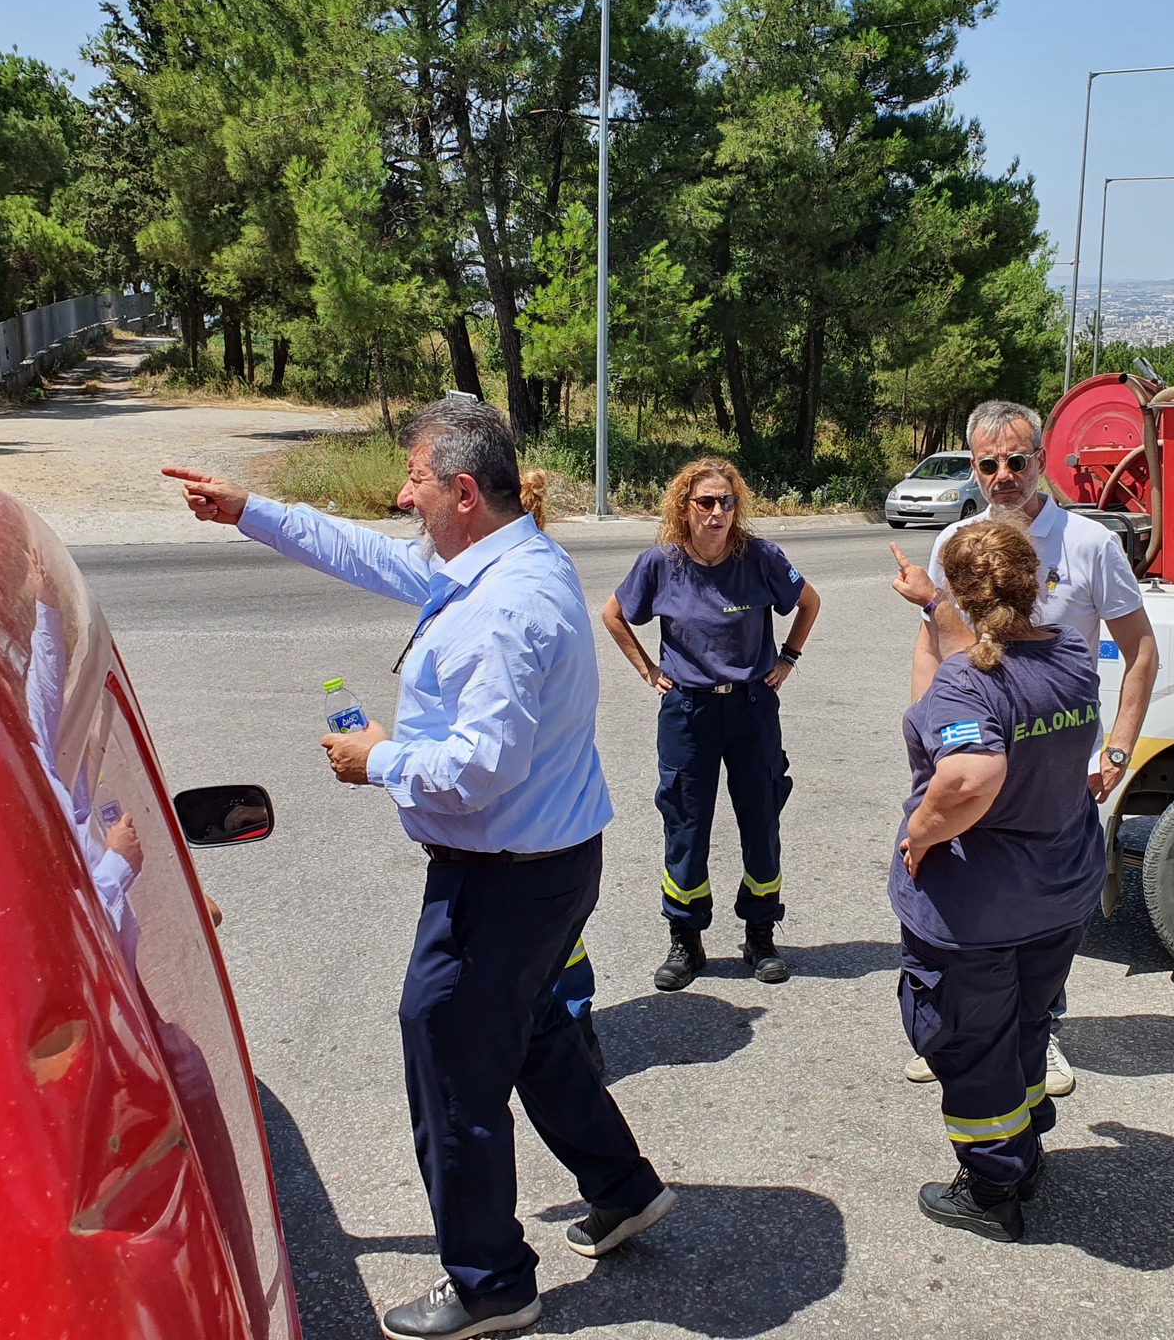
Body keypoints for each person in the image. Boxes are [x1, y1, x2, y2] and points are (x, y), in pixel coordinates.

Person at [163, 396, 674, 1340]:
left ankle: (490, 1282)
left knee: (446, 1052)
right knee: (525, 1034)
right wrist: (251, 510)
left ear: (465, 491)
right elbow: (373, 556)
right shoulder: (497, 560)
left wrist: (379, 760)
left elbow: (481, 769)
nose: (402, 497)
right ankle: (624, 1187)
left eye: (414, 480)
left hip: (504, 877)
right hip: (549, 863)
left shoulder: (502, 606)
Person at [903, 398, 1159, 1097]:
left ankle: (1040, 1034)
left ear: (1043, 460)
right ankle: (964, 1028)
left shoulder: (1088, 544)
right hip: (975, 754)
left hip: (1055, 764)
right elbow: (937, 640)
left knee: (1045, 910)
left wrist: (1118, 752)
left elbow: (1140, 653)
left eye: (1018, 460)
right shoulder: (954, 540)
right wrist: (928, 748)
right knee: (972, 903)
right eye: (988, 464)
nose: (1004, 475)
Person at [887, 520, 1106, 1242]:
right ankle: (1026, 1143)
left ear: (960, 588)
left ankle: (992, 1186)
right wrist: (933, 609)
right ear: (1033, 580)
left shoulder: (969, 683)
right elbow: (979, 668)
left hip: (978, 906)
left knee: (969, 1040)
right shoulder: (1070, 655)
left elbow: (971, 774)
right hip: (1061, 888)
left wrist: (921, 835)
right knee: (1026, 1024)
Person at [600, 458, 821, 990]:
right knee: (685, 824)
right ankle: (685, 939)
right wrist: (648, 669)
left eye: (727, 501)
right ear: (685, 507)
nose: (718, 511)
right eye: (706, 502)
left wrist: (788, 658)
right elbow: (613, 614)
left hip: (750, 707)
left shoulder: (761, 557)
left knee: (761, 821)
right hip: (688, 712)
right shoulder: (661, 564)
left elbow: (809, 602)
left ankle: (760, 935)